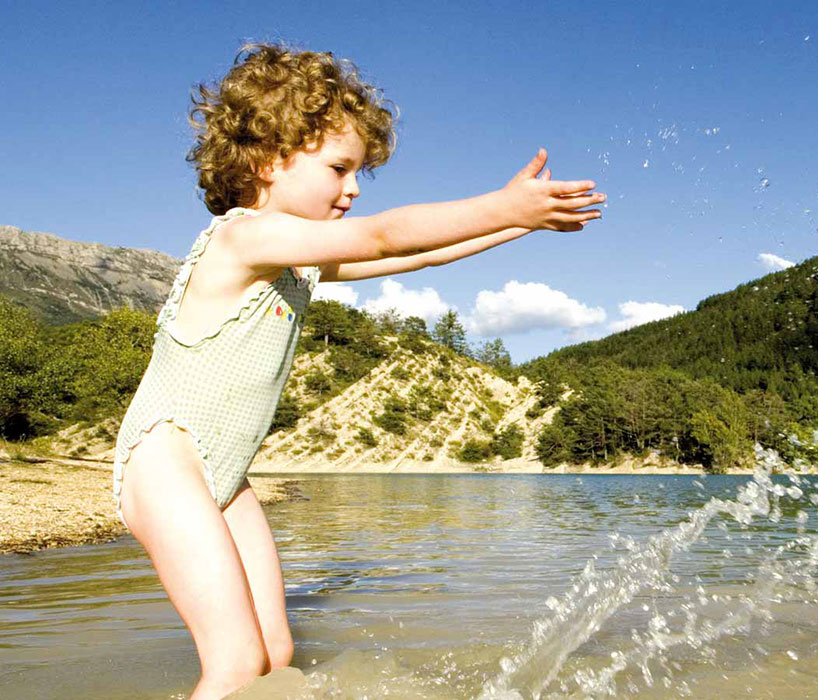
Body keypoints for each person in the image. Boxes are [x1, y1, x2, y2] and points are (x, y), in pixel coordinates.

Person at [111, 42, 604, 700]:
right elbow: (382, 235)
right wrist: (503, 205)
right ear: (270, 156)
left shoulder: (296, 260)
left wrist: (522, 225)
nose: (351, 190)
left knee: (275, 654)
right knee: (232, 665)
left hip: (224, 475)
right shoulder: (243, 237)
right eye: (341, 168)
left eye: (359, 176)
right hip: (165, 464)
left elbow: (416, 258)